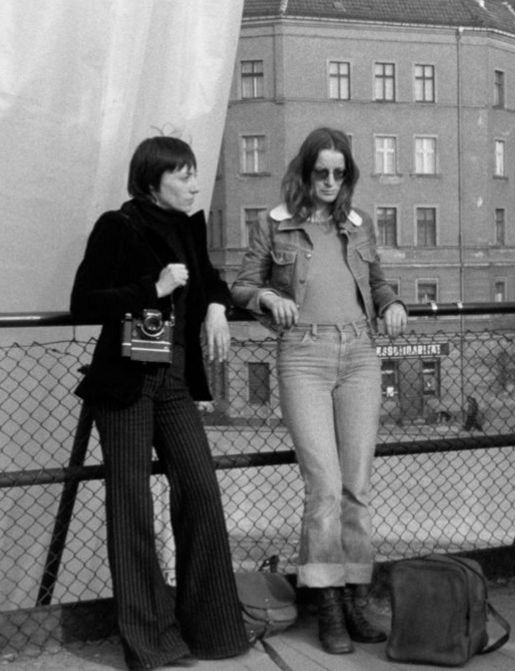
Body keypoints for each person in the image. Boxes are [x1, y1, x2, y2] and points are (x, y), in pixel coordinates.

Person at [69, 136, 249, 670]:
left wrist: (216, 308)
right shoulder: (118, 226)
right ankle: (150, 644)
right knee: (132, 510)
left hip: (173, 381)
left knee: (200, 492)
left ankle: (212, 631)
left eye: (195, 173)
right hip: (125, 382)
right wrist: (155, 284)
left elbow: (213, 282)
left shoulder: (188, 229)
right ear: (153, 181)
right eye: (184, 174)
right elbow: (83, 302)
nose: (196, 183)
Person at [231, 127, 406, 654]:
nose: (330, 182)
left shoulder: (357, 224)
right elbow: (240, 283)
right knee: (324, 486)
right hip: (302, 356)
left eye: (339, 173)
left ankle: (355, 597)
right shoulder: (275, 224)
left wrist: (393, 302)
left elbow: (376, 282)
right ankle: (327, 603)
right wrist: (265, 296)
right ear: (305, 173)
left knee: (356, 486)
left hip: (358, 355)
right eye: (321, 172)